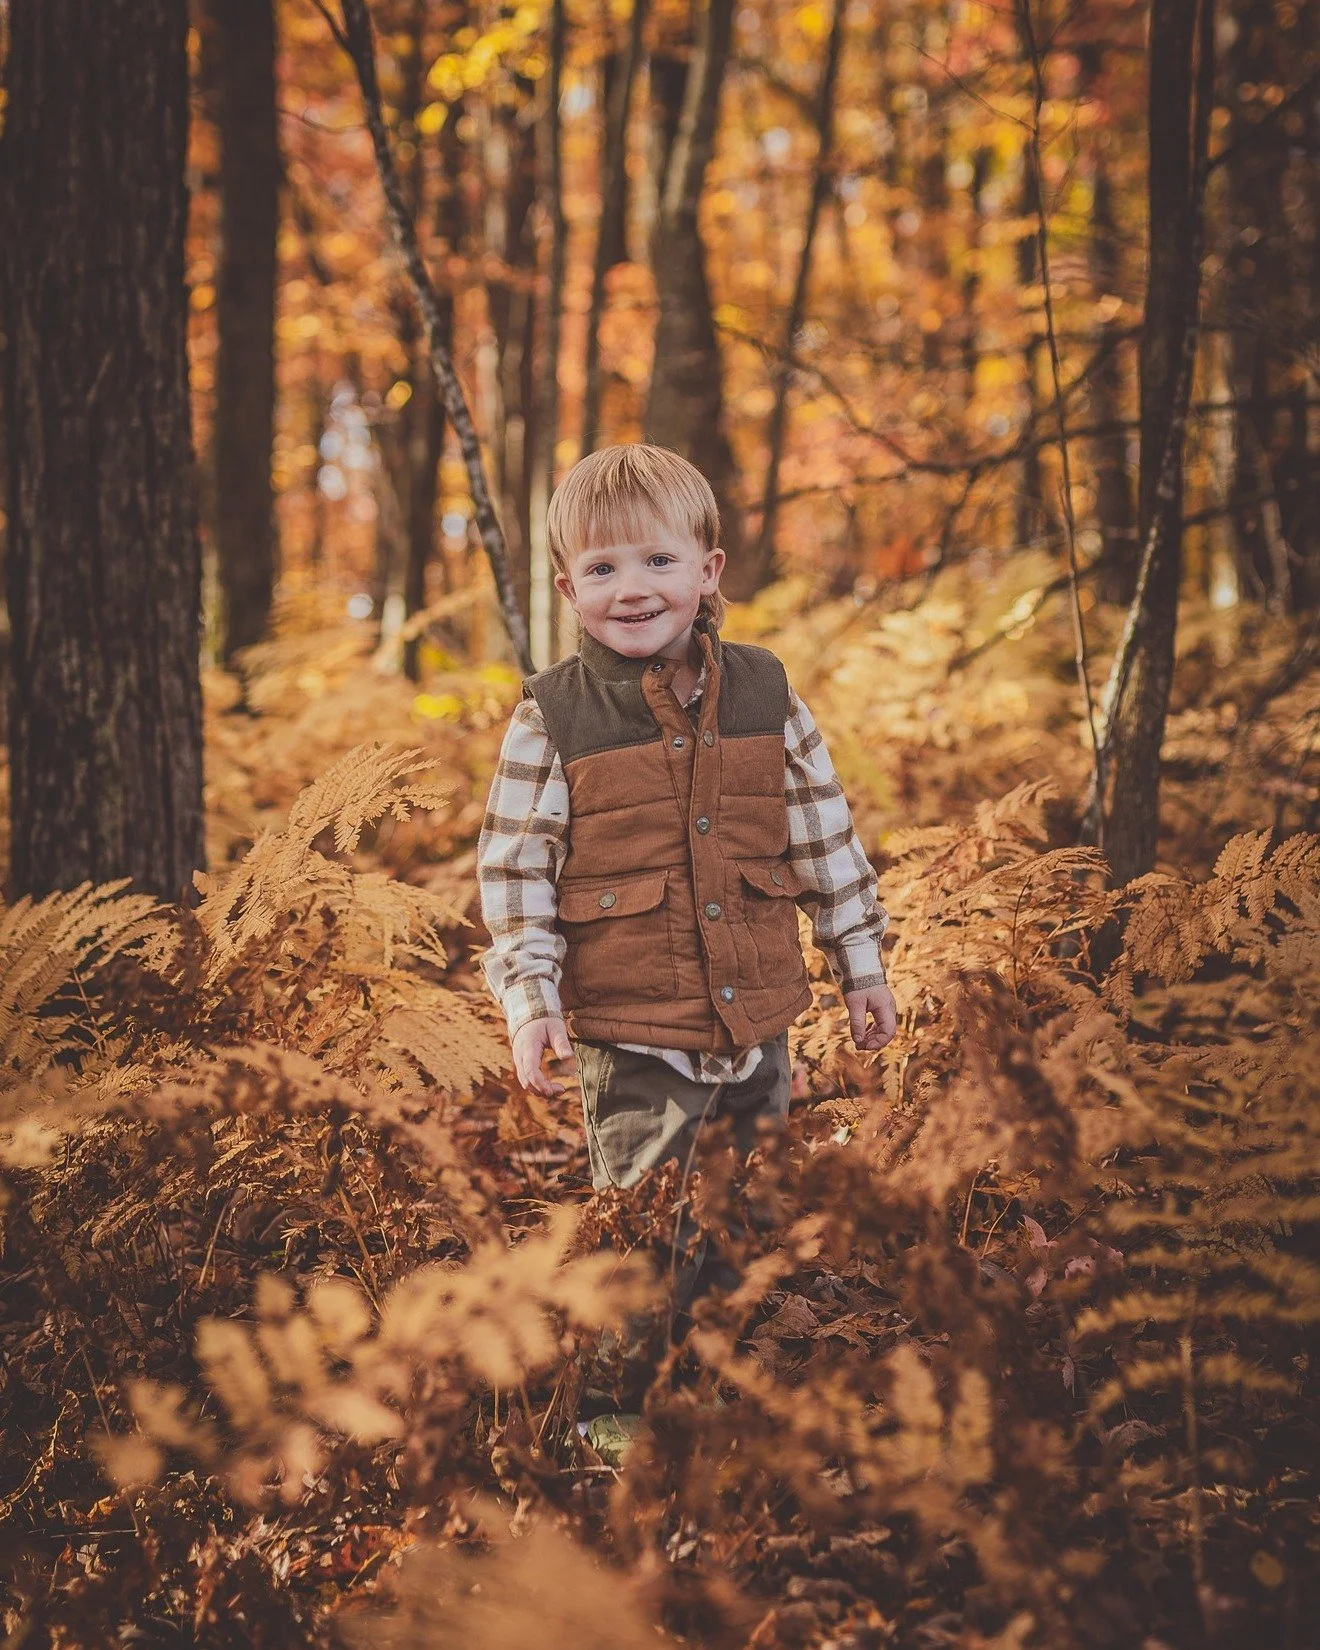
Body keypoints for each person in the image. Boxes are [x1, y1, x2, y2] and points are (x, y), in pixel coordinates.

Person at [477, 444, 896, 1299]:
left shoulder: (765, 695)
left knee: (749, 1215)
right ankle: (623, 1407)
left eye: (658, 560)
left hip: (758, 1024)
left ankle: (722, 1388)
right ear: (568, 589)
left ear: (707, 571)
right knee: (646, 1230)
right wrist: (531, 1000)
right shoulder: (552, 716)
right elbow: (517, 873)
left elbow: (824, 838)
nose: (632, 588)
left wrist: (861, 965)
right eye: (602, 566)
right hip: (633, 1030)